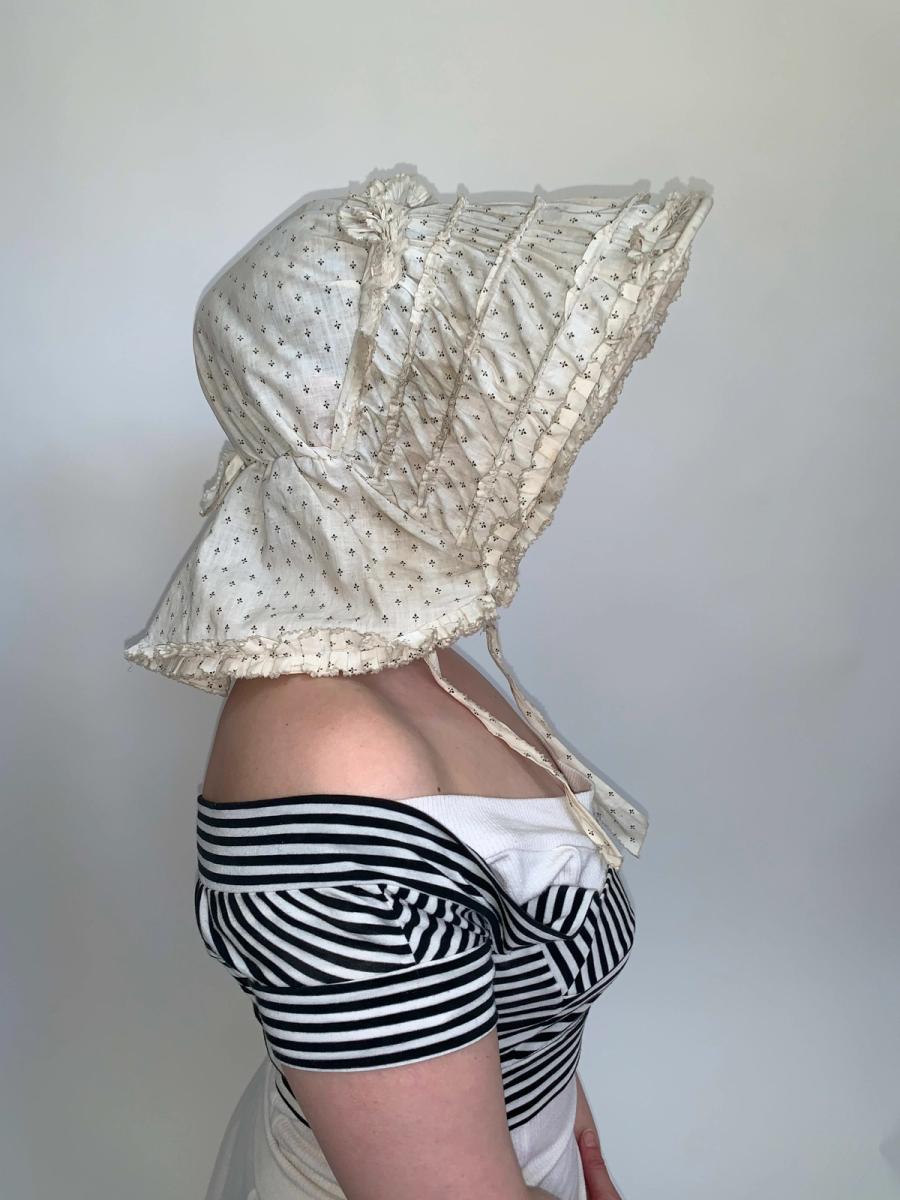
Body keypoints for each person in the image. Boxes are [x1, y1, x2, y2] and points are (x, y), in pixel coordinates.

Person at [124, 169, 713, 1200]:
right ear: (373, 432)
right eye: (458, 402)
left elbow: (496, 962)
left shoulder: (410, 659)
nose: (514, 445)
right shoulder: (333, 756)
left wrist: (554, 1098)